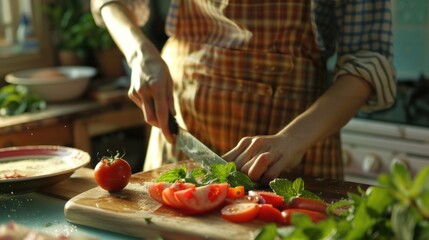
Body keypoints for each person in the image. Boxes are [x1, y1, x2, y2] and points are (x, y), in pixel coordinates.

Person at [91, 0, 396, 185]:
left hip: (290, 147)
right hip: (181, 128)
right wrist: (139, 53)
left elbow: (367, 61)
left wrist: (293, 140)